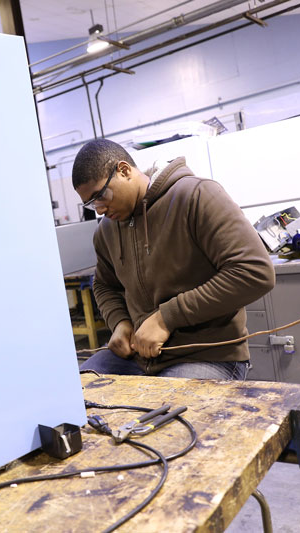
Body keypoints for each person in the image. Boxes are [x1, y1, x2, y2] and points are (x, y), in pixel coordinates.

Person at [72, 139, 275, 380]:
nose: (99, 209)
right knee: (77, 397)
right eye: (90, 203)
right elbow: (104, 285)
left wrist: (165, 319)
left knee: (167, 413)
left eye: (100, 196)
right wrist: (120, 322)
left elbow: (254, 271)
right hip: (139, 357)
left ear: (124, 171)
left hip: (206, 354)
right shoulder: (106, 231)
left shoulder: (196, 196)